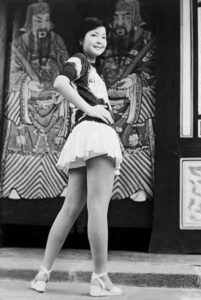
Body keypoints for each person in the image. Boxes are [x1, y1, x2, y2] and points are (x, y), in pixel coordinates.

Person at [30, 17, 123, 297]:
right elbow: (60, 82)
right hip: (95, 134)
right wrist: (91, 109)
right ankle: (99, 278)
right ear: (81, 40)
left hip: (84, 137)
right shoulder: (80, 60)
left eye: (104, 37)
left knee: (70, 209)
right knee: (97, 209)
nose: (100, 40)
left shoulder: (91, 70)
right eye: (94, 35)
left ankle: (42, 274)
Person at [1, 0, 70, 199]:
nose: (43, 25)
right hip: (28, 99)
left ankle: (57, 186)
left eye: (46, 20)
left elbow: (67, 66)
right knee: (15, 117)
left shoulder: (57, 41)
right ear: (30, 22)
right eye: (38, 20)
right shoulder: (19, 42)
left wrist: (60, 81)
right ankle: (17, 185)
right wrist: (26, 83)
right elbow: (11, 72)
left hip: (54, 96)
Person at [101, 0, 156, 202]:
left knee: (134, 141)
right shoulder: (105, 39)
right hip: (105, 100)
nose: (120, 21)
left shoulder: (147, 39)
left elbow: (151, 68)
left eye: (125, 16)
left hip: (132, 102)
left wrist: (134, 80)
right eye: (116, 17)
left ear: (135, 18)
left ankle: (137, 186)